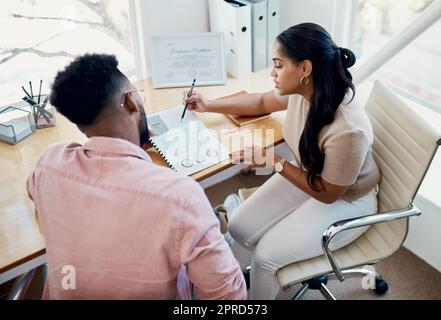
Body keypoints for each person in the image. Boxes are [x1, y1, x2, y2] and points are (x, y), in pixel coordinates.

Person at [183, 23, 380, 299]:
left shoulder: (348, 130)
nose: (272, 73)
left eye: (278, 65)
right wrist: (209, 104)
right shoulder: (306, 91)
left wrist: (273, 161)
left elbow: (328, 194)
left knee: (265, 258)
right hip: (308, 175)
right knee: (239, 228)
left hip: (345, 200)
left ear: (305, 69)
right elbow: (262, 103)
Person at [26, 53, 247, 300]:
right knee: (196, 232)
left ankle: (215, 225)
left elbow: (34, 189)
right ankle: (218, 225)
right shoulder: (180, 196)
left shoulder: (49, 163)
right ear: (130, 100)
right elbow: (228, 296)